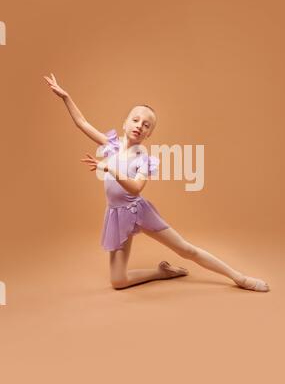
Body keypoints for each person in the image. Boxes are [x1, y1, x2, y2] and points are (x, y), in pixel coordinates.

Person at [44, 73, 270, 292]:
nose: (139, 126)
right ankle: (161, 272)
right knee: (118, 282)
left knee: (186, 249)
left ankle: (239, 278)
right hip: (117, 215)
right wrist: (66, 97)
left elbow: (135, 187)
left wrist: (109, 168)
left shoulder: (143, 159)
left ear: (149, 133)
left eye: (146, 125)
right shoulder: (111, 145)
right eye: (135, 120)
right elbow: (82, 123)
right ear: (124, 123)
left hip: (138, 212)